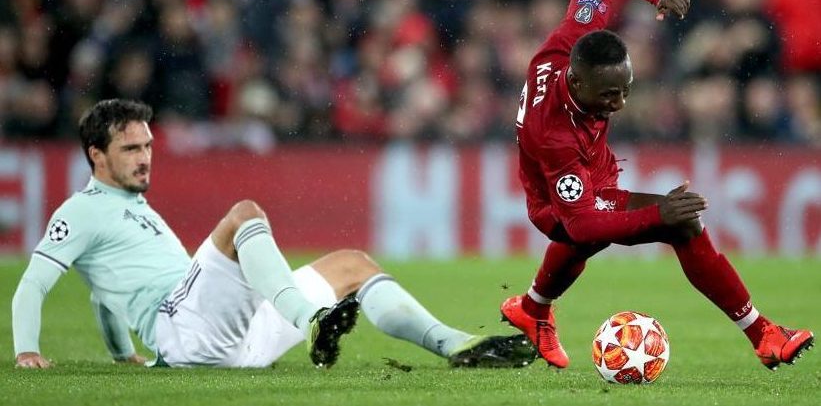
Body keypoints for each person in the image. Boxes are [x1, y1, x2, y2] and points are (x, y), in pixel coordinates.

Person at [13, 99, 537, 369]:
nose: (146, 157)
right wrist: (25, 351)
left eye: (148, 146)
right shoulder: (81, 211)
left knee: (353, 264)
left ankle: (457, 344)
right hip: (186, 330)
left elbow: (105, 293)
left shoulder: (130, 207)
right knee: (244, 213)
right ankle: (312, 319)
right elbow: (32, 284)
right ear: (95, 156)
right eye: (131, 150)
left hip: (234, 339)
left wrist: (118, 355)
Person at [500, 0, 814, 370]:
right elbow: (579, 223)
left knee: (599, 237)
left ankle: (532, 309)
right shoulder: (555, 135)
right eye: (610, 95)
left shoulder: (571, 42)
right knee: (673, 224)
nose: (620, 104)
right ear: (577, 85)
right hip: (554, 201)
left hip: (592, 168)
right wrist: (656, 214)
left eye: (626, 90)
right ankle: (764, 335)